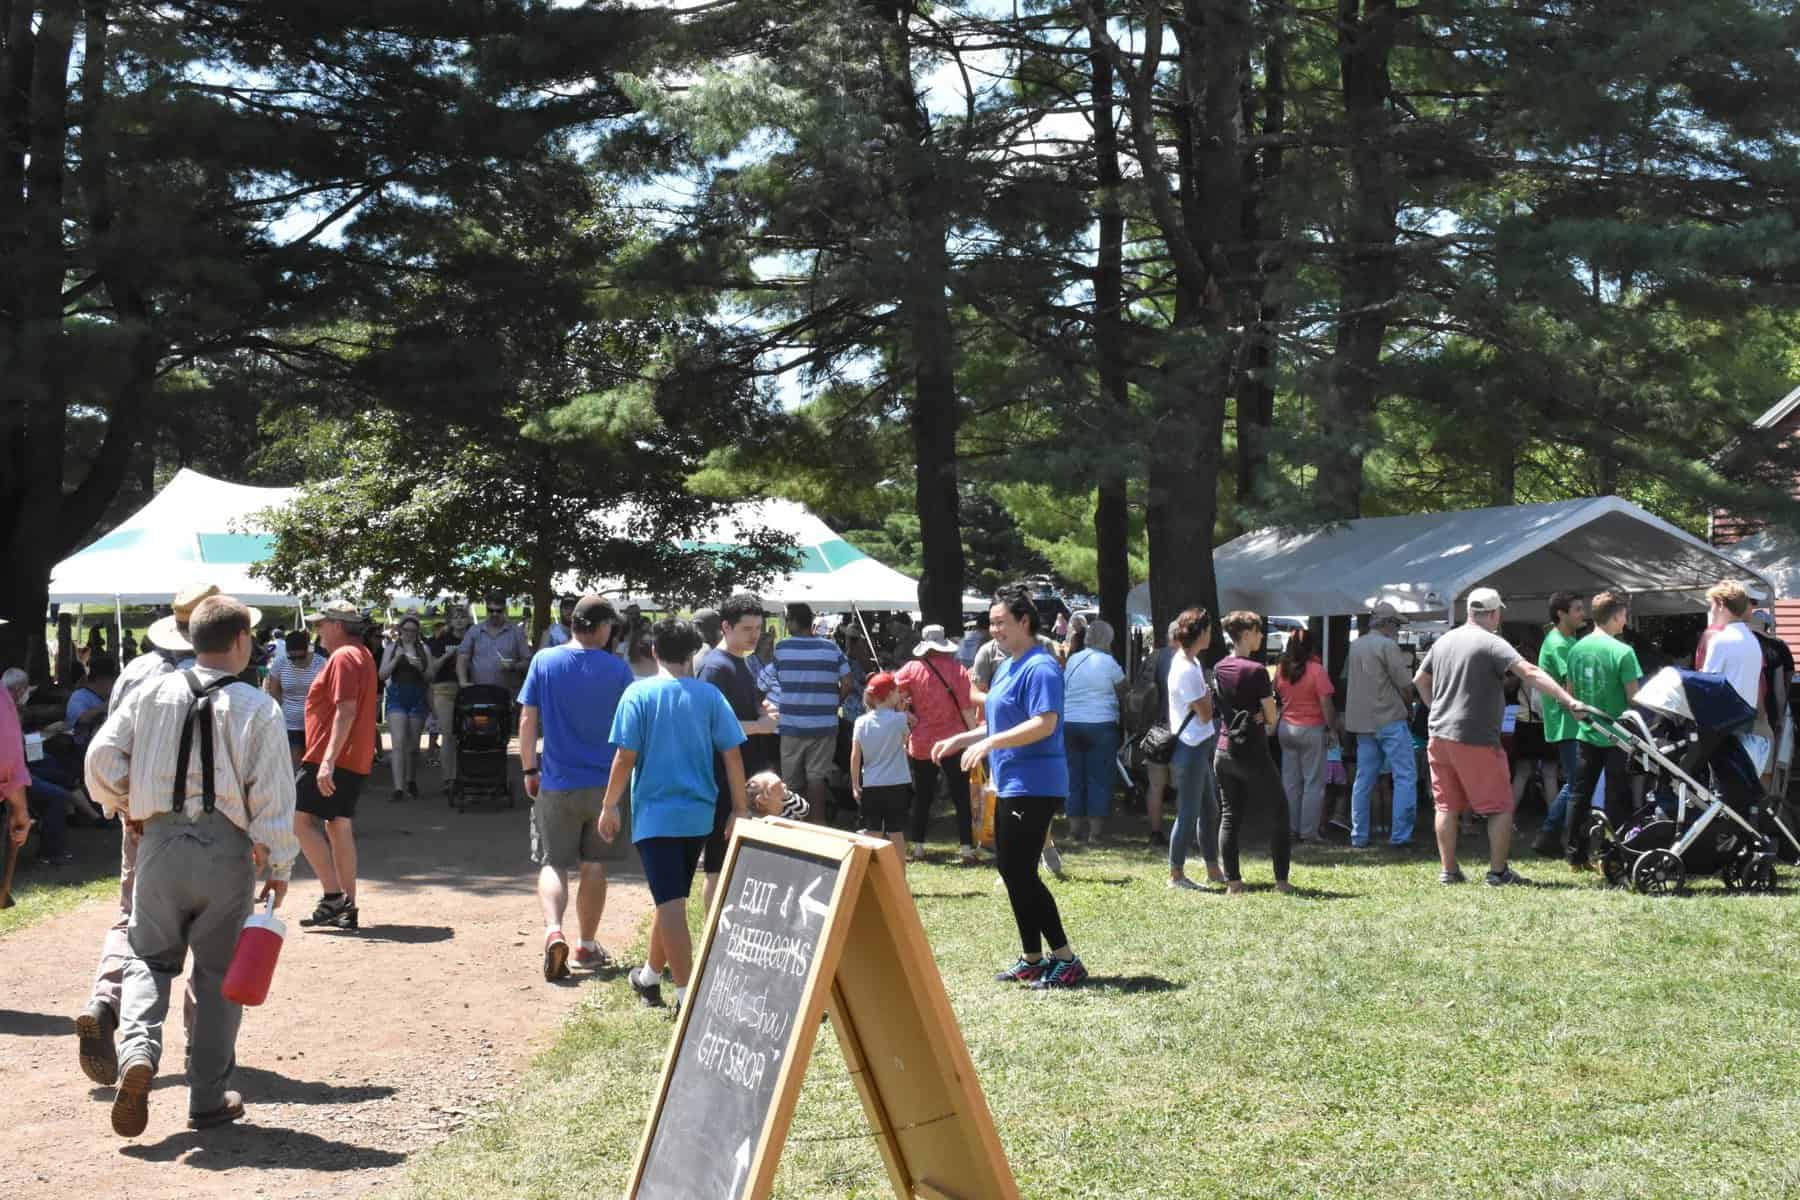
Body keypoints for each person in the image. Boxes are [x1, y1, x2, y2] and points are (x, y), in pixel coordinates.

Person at [83, 594, 298, 1136]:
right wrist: (279, 865)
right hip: (225, 852)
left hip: (158, 844)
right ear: (243, 642)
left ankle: (137, 1053)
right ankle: (205, 1097)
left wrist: (126, 807)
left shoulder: (151, 691)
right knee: (219, 975)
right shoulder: (257, 706)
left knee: (149, 961)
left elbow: (101, 759)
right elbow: (272, 795)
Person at [74, 583, 251, 1087]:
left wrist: (128, 804)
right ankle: (202, 1048)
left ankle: (106, 1002)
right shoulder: (218, 681)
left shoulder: (137, 671)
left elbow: (106, 750)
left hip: (143, 820)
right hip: (208, 828)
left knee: (134, 918)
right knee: (208, 941)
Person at [932, 585, 1086, 990]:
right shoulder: (1009, 665)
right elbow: (1003, 723)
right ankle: (1033, 958)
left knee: (1021, 871)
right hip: (1012, 781)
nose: (994, 629)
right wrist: (964, 739)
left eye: (1001, 622)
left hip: (1035, 782)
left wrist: (988, 743)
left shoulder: (1041, 666)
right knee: (1012, 869)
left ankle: (1066, 959)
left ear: (1024, 621)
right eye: (991, 623)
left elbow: (1044, 723)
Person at [604, 618, 748, 1014]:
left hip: (655, 817)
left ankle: (686, 997)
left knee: (671, 906)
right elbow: (732, 755)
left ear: (653, 651)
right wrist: (739, 808)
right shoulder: (710, 697)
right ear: (692, 654)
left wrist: (608, 804)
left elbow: (624, 757)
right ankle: (650, 977)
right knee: (671, 899)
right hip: (700, 817)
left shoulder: (638, 694)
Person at [1413, 587, 1587, 887]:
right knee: (1500, 806)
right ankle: (1497, 873)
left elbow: (1420, 679)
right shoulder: (1492, 642)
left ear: (1470, 611)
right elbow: (1529, 672)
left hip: (1439, 733)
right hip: (1476, 736)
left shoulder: (1444, 640)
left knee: (1446, 806)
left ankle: (1449, 871)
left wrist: (1434, 709)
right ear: (1494, 613)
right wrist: (1567, 699)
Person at [518, 595, 632, 980]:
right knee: (593, 865)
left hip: (556, 781)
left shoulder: (544, 661)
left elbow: (527, 719)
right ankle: (585, 944)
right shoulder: (618, 670)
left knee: (553, 862)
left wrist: (529, 768)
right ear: (600, 628)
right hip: (605, 787)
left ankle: (553, 931)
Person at [294, 600, 378, 932]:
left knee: (298, 821)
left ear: (338, 625)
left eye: (320, 624)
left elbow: (345, 710)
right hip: (351, 756)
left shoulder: (343, 656)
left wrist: (326, 761)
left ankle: (333, 897)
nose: (317, 631)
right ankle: (348, 905)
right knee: (337, 825)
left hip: (331, 757)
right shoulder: (362, 654)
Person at [694, 594, 779, 912]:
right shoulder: (715, 667)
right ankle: (714, 942)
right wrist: (760, 725)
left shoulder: (737, 661)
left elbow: (741, 708)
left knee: (739, 865)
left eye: (758, 627)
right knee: (718, 866)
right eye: (747, 629)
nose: (755, 635)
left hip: (742, 779)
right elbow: (710, 729)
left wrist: (760, 707)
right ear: (725, 627)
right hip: (724, 783)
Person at [1210, 613, 1293, 895]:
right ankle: (1281, 881)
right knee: (1280, 810)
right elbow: (1270, 716)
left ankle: (1233, 882)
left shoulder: (1219, 667)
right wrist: (1266, 716)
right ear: (1245, 634)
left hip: (1223, 750)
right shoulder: (1257, 671)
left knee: (1230, 815)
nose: (1260, 637)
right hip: (1252, 752)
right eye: (1258, 632)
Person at [1562, 592, 1642, 868]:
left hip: (1586, 732)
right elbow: (1634, 700)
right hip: (1617, 735)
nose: (1625, 621)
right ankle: (1617, 854)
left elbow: (1571, 696)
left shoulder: (1576, 649)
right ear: (1617, 616)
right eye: (1624, 616)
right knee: (1616, 795)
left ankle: (1575, 856)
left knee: (1579, 795)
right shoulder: (1624, 652)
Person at [896, 623, 979, 864]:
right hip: (954, 741)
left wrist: (906, 713)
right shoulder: (958, 670)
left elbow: (892, 693)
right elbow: (966, 709)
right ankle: (966, 848)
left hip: (922, 742)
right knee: (961, 795)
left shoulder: (911, 669)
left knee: (923, 796)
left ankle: (919, 846)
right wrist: (974, 737)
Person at [1344, 603, 1418, 849]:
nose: (1397, 629)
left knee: (1364, 780)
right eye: (1396, 624)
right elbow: (1405, 685)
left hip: (1363, 723)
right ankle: (1400, 836)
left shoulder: (1355, 646)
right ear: (1387, 624)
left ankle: (1359, 835)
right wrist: (1410, 706)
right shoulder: (1388, 646)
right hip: (1389, 719)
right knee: (1405, 776)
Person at [771, 602, 852, 824]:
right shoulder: (831, 648)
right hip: (824, 726)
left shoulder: (782, 648)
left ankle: (794, 825)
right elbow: (847, 681)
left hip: (791, 725)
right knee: (817, 778)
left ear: (794, 621)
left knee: (792, 781)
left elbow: (775, 680)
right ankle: (819, 825)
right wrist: (834, 702)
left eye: (787, 620)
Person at [1164, 608, 1223, 890]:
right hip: (1190, 747)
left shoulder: (1191, 662)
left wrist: (1206, 696)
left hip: (1198, 745)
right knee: (1188, 812)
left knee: (1209, 808)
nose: (1211, 635)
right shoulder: (1187, 669)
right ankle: (1175, 874)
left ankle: (1212, 867)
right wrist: (1209, 695)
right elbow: (1205, 713)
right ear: (1199, 633)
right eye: (1209, 630)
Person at [1530, 592, 1588, 857]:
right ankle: (1550, 834)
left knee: (1576, 782)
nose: (1582, 613)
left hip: (1567, 723)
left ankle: (1552, 835)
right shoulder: (1560, 644)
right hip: (1569, 723)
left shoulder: (1566, 640)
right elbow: (1571, 686)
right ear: (1561, 614)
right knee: (1578, 783)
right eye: (1577, 609)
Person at [1061, 619, 1126, 844]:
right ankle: (1095, 833)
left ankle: (1073, 831)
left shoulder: (1073, 660)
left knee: (1073, 776)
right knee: (1099, 777)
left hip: (1070, 723)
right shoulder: (1110, 663)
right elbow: (1123, 691)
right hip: (1101, 724)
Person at [1274, 627, 1339, 843]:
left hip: (1286, 727)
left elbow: (1277, 695)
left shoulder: (1281, 669)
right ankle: (1309, 831)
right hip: (1311, 729)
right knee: (1313, 783)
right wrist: (1332, 728)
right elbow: (1326, 704)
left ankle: (1291, 829)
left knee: (1290, 782)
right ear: (1311, 646)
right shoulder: (1316, 670)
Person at [1701, 581, 1768, 773]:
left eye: (1712, 605)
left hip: (1722, 721)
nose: (1711, 610)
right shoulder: (1751, 639)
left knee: (1721, 784)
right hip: (1745, 717)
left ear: (1721, 605)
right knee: (1738, 778)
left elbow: (1705, 686)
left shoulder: (1720, 640)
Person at [851, 672, 913, 854]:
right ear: (890, 694)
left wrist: (855, 784)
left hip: (871, 783)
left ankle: (862, 869)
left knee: (873, 832)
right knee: (896, 833)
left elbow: (855, 756)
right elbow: (905, 742)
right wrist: (901, 713)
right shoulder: (900, 719)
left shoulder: (860, 722)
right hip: (897, 784)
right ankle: (899, 877)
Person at [379, 615, 431, 803]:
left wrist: (420, 667)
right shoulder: (392, 648)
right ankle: (398, 788)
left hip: (417, 697)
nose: (409, 634)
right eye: (406, 630)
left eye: (413, 631)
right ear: (400, 631)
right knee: (398, 742)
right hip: (397, 697)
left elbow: (430, 676)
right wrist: (397, 659)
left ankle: (411, 780)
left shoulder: (423, 649)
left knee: (413, 746)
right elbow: (382, 674)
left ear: (417, 633)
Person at [1138, 620, 1181, 847]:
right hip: (1181, 731)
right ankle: (1182, 835)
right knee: (1183, 785)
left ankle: (1155, 832)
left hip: (1156, 729)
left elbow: (1140, 690)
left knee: (1156, 786)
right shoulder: (1187, 660)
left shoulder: (1154, 658)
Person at [264, 630, 325, 768]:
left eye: (300, 657)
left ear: (307, 650)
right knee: (295, 762)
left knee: (313, 763)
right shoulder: (280, 662)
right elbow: (273, 691)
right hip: (289, 722)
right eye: (292, 658)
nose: (296, 661)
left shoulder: (321, 663)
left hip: (315, 722)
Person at [426, 610, 469, 793]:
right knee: (448, 734)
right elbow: (432, 668)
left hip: (468, 689)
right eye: (456, 617)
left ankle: (465, 776)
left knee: (467, 736)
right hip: (444, 688)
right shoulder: (441, 640)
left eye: (462, 617)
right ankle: (448, 779)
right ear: (450, 621)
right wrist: (447, 655)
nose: (459, 620)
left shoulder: (472, 638)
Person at [459, 592, 531, 693]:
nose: (494, 614)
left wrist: (514, 666)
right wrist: (463, 682)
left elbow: (527, 661)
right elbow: (463, 657)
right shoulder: (474, 631)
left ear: (504, 610)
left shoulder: (516, 632)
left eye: (498, 611)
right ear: (486, 609)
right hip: (479, 691)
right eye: (491, 610)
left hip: (507, 693)